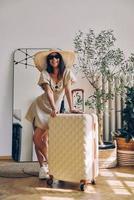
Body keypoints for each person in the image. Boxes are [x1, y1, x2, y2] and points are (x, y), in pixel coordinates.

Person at [25, 49, 81, 179]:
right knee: (37, 138)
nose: (54, 59)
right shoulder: (45, 73)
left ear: (60, 60)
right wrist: (54, 107)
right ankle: (44, 167)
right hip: (40, 107)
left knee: (46, 139)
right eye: (51, 58)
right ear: (48, 61)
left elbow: (67, 90)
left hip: (53, 110)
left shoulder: (66, 72)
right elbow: (49, 92)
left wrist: (71, 108)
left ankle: (51, 165)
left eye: (56, 57)